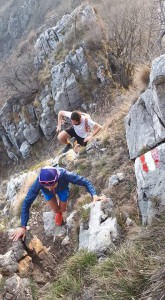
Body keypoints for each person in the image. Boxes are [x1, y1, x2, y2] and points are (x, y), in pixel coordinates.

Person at [11, 166, 101, 241]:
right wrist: (23, 226)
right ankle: (58, 213)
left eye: (52, 185)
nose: (50, 188)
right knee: (55, 210)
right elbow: (26, 203)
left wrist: (94, 195)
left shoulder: (65, 175)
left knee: (63, 209)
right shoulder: (38, 182)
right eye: (46, 186)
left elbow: (85, 182)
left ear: (57, 179)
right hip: (47, 193)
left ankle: (61, 212)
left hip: (62, 188)